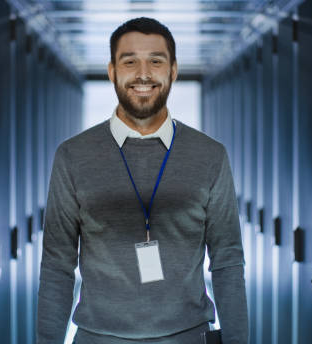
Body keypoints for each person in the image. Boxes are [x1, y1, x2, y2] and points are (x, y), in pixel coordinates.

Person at [37, 17, 248, 344]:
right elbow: (56, 266)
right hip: (98, 338)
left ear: (173, 70)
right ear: (112, 71)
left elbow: (228, 261)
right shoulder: (72, 156)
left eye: (156, 61)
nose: (144, 74)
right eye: (130, 61)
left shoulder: (210, 155)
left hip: (188, 337)